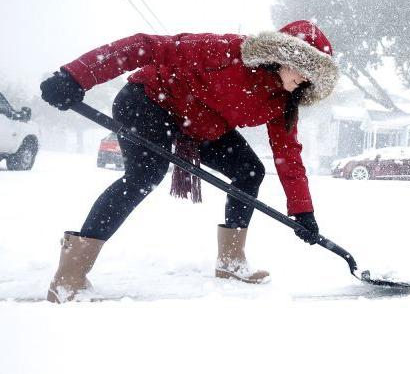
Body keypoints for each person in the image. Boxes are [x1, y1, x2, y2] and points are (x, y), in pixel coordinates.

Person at [40, 20, 338, 303]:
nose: (305, 77)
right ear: (279, 54)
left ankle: (231, 261)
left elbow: (288, 154)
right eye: (301, 66)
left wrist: (303, 212)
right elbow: (144, 46)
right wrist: (77, 75)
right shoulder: (227, 51)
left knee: (249, 171)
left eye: (313, 74)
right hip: (148, 100)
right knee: (145, 175)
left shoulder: (283, 101)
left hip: (196, 124)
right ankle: (70, 277)